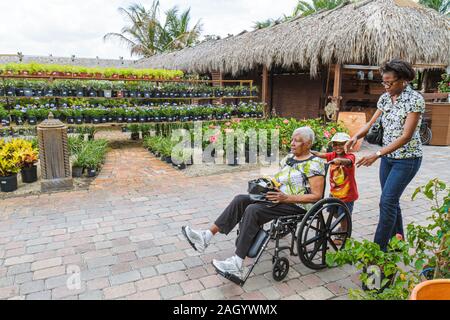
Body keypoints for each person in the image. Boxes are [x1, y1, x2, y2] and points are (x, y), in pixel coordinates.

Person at [181, 127, 326, 279]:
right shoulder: (289, 158)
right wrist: (267, 184)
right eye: (292, 139)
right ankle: (206, 236)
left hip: (297, 205)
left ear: (308, 144)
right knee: (240, 199)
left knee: (253, 210)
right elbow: (281, 179)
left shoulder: (314, 164)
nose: (292, 143)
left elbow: (316, 196)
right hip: (278, 197)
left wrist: (286, 198)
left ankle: (237, 263)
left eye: (297, 141)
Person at [345, 59, 425, 251]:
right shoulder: (385, 98)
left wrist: (377, 154)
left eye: (390, 82)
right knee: (391, 201)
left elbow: (406, 136)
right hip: (388, 159)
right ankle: (399, 243)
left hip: (407, 159)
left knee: (387, 202)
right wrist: (355, 136)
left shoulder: (414, 100)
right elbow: (371, 123)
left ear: (403, 80)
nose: (386, 86)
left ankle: (378, 251)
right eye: (384, 82)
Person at [312, 132, 358, 244]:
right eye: (335, 144)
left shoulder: (350, 156)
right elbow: (320, 154)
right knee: (332, 211)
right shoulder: (332, 155)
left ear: (348, 145)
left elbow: (348, 162)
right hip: (334, 193)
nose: (338, 147)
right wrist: (309, 151)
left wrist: (340, 161)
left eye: (341, 144)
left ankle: (344, 234)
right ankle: (343, 226)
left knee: (343, 215)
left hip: (347, 194)